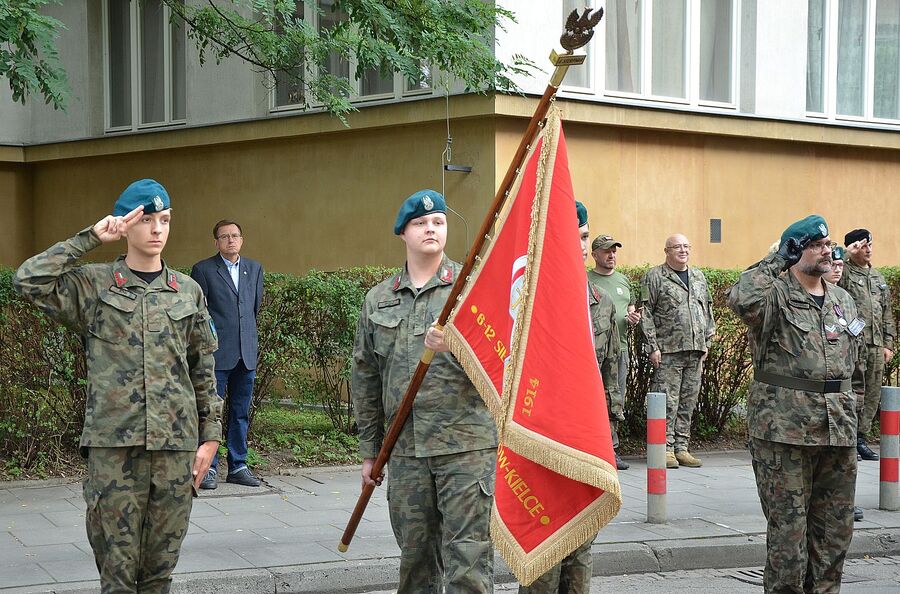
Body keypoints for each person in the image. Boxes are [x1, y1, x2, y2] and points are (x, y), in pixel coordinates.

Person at [13, 179, 221, 593]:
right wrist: (91, 237)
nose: (157, 229)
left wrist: (210, 437)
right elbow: (28, 280)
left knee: (159, 574)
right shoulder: (95, 285)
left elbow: (202, 368)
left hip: (174, 450)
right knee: (118, 576)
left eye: (164, 220)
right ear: (126, 225)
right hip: (114, 451)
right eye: (146, 220)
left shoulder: (188, 292)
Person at [351, 189, 497, 593]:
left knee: (468, 560)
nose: (430, 228)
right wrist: (370, 450)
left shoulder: (471, 288)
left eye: (438, 222)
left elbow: (503, 357)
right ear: (402, 232)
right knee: (415, 561)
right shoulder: (378, 299)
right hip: (405, 450)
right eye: (420, 223)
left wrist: (457, 344)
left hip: (465, 446)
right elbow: (365, 377)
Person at [727, 215, 864, 593]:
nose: (826, 250)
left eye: (827, 244)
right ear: (795, 250)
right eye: (815, 245)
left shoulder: (842, 298)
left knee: (834, 533)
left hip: (838, 429)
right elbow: (740, 298)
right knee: (789, 537)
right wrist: (776, 261)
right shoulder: (774, 294)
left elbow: (854, 360)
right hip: (786, 432)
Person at [518, 201, 618, 594]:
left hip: (584, 438)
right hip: (539, 437)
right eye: (570, 235)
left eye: (583, 236)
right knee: (544, 547)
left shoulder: (600, 303)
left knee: (581, 547)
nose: (579, 244)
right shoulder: (527, 296)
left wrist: (609, 429)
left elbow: (608, 369)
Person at [191, 220, 265, 489]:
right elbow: (201, 315)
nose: (230, 240)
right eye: (224, 237)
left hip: (246, 353)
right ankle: (207, 469)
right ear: (217, 242)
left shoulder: (254, 269)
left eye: (235, 236)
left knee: (240, 412)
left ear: (242, 240)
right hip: (217, 354)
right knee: (211, 413)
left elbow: (253, 309)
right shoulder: (203, 270)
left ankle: (238, 466)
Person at [638, 234, 715, 469]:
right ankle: (665, 449)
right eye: (677, 247)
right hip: (668, 350)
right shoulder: (654, 277)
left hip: (695, 350)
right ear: (666, 251)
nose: (683, 250)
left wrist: (708, 340)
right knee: (667, 402)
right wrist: (653, 346)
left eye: (686, 246)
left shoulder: (698, 277)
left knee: (688, 401)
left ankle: (682, 447)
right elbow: (646, 313)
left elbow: (708, 308)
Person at [838, 229, 896, 462]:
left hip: (876, 345)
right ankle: (849, 439)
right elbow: (830, 280)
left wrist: (889, 344)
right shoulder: (843, 272)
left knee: (872, 394)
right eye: (863, 246)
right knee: (853, 392)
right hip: (853, 345)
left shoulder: (878, 278)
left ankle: (861, 438)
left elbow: (887, 314)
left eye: (870, 245)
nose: (868, 250)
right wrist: (844, 254)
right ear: (853, 249)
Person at [589, 233, 642, 470]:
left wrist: (634, 318)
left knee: (614, 399)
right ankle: (591, 449)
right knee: (592, 400)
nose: (612, 255)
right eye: (606, 251)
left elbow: (629, 310)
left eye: (614, 251)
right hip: (592, 351)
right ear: (595, 255)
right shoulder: (585, 279)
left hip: (619, 350)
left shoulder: (623, 281)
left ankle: (612, 450)